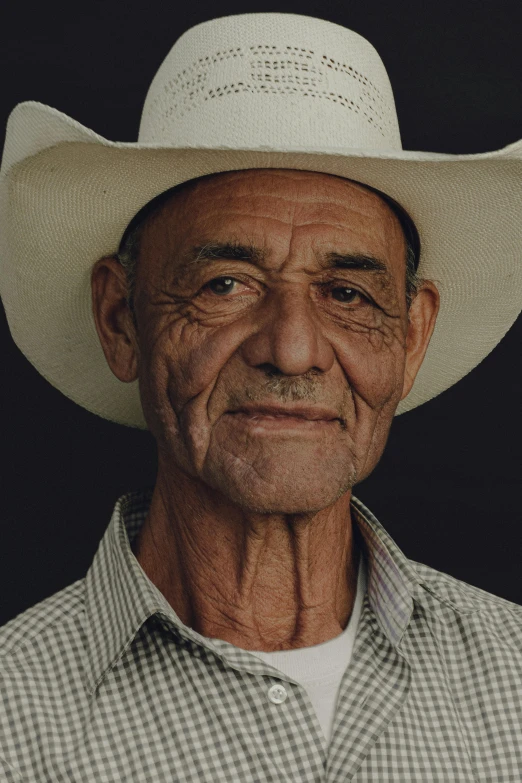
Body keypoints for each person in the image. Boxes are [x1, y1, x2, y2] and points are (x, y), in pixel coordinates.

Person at [0, 12, 521, 782]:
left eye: (347, 293)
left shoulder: (511, 677)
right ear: (121, 320)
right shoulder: (14, 717)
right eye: (226, 284)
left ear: (411, 339)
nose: (293, 347)